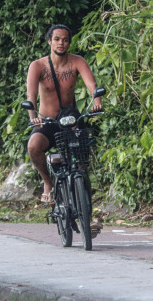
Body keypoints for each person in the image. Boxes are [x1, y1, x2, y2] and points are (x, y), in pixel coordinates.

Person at [25, 24, 102, 203]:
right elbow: (31, 95)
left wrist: (97, 102)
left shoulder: (77, 62)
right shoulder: (37, 66)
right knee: (33, 147)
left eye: (65, 40)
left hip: (71, 120)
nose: (61, 43)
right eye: (57, 39)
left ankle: (84, 202)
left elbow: (92, 85)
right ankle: (47, 182)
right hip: (48, 122)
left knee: (81, 162)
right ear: (50, 41)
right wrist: (33, 118)